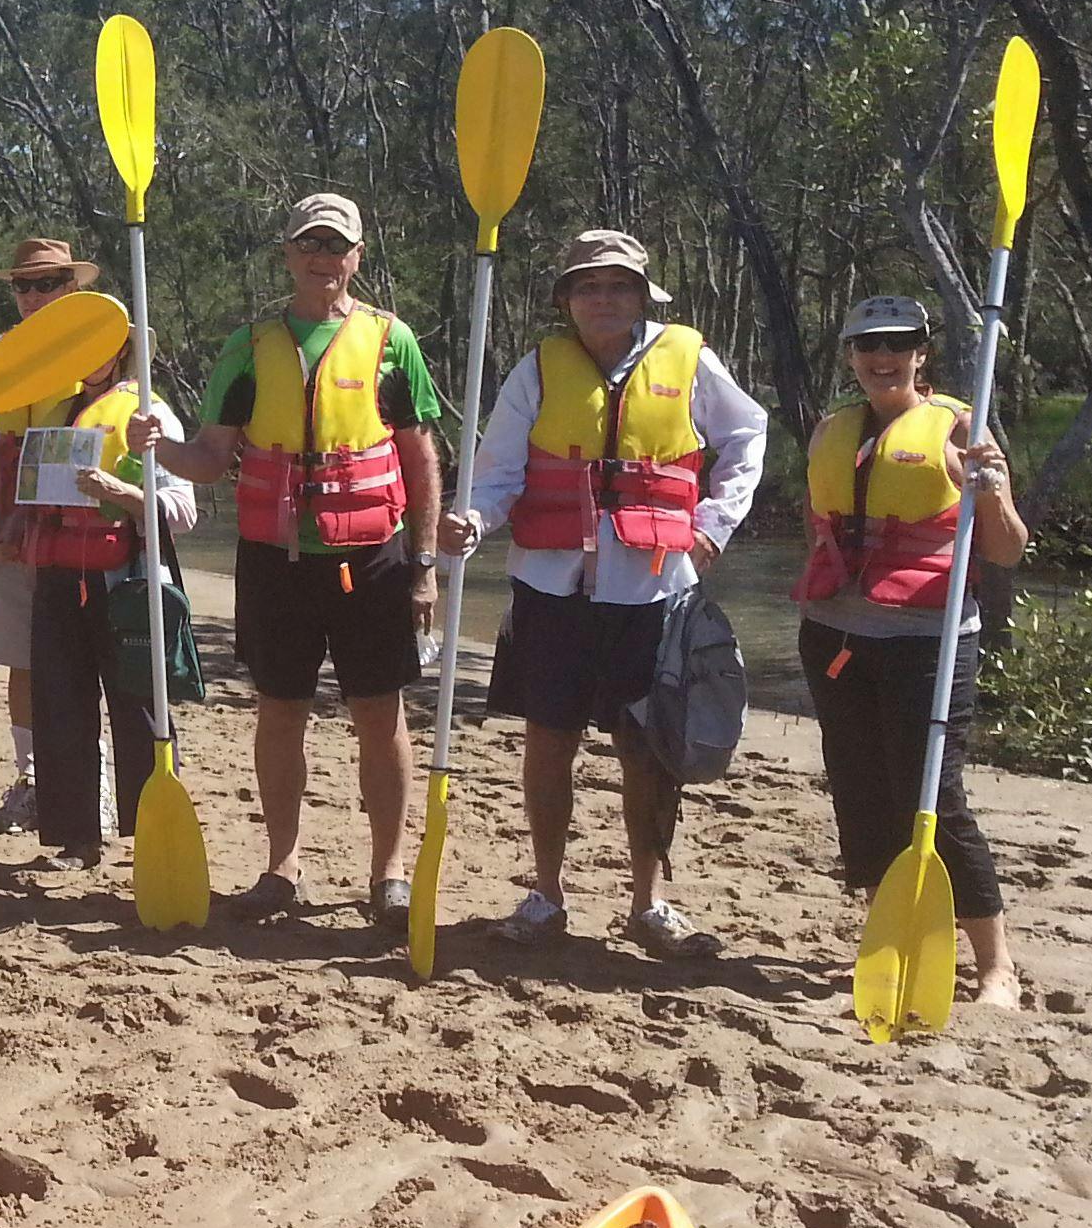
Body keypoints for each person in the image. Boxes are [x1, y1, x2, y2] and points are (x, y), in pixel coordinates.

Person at [440, 229, 769, 957]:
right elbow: (498, 472)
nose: (604, 299)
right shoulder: (537, 370)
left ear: (641, 296)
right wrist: (473, 518)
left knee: (646, 750)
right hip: (550, 587)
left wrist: (714, 523)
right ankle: (547, 895)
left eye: (618, 286)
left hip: (652, 589)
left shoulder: (687, 360)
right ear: (567, 300)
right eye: (589, 287)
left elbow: (748, 433)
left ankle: (649, 903)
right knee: (548, 742)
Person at [159, 193, 444, 928]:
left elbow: (419, 459)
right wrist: (153, 447)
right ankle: (281, 865)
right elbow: (210, 457)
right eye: (309, 243)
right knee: (280, 711)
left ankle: (386, 874)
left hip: (371, 557)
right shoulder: (247, 346)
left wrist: (426, 563)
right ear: (288, 254)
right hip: (276, 559)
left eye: (336, 244)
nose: (323, 256)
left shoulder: (391, 340)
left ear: (356, 256)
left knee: (380, 713)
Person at [795, 293, 1032, 1007]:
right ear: (851, 356)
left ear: (922, 353)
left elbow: (1008, 549)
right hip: (836, 634)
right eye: (868, 344)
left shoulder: (963, 428)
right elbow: (821, 532)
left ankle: (996, 966)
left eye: (898, 343)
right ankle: (889, 936)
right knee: (861, 789)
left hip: (927, 640)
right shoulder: (830, 431)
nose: (882, 355)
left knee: (935, 796)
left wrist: (987, 489)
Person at [15, 339, 200, 878]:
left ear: (119, 353)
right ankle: (77, 838)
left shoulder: (149, 411)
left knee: (139, 706)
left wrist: (118, 491)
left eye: (96, 346)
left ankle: (151, 833)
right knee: (60, 704)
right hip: (57, 576)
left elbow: (182, 512)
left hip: (123, 579)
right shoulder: (55, 410)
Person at [0, 237, 97, 835]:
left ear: (73, 286)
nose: (35, 295)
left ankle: (91, 788)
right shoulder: (2, 359)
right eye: (24, 285)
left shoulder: (102, 351)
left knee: (86, 664)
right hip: (14, 537)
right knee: (21, 658)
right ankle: (32, 781)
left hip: (84, 536)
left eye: (48, 283)